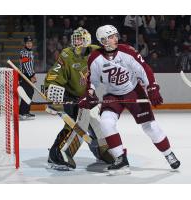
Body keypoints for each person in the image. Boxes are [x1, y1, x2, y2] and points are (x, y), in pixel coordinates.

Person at [79, 25, 181, 175]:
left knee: (150, 127)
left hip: (133, 91)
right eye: (112, 36)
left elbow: (144, 69)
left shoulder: (127, 51)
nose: (116, 38)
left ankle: (168, 154)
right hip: (112, 94)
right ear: (103, 40)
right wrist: (89, 95)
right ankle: (121, 160)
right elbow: (92, 81)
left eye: (115, 35)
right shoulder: (95, 58)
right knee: (106, 122)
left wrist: (152, 87)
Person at [44, 27, 115, 170]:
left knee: (98, 124)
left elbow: (115, 58)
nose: (77, 42)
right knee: (75, 126)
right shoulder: (66, 54)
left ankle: (101, 151)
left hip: (88, 95)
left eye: (80, 39)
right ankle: (56, 154)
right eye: (75, 39)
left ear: (87, 40)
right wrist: (51, 93)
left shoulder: (95, 52)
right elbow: (53, 76)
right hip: (71, 97)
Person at [19, 36, 36, 120]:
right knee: (26, 93)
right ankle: (22, 113)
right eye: (27, 43)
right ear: (25, 44)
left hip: (28, 75)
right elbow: (26, 65)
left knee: (30, 92)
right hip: (24, 75)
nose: (29, 44)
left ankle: (26, 111)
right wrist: (32, 75)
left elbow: (30, 65)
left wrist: (33, 74)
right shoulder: (24, 52)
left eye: (30, 43)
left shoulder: (30, 52)